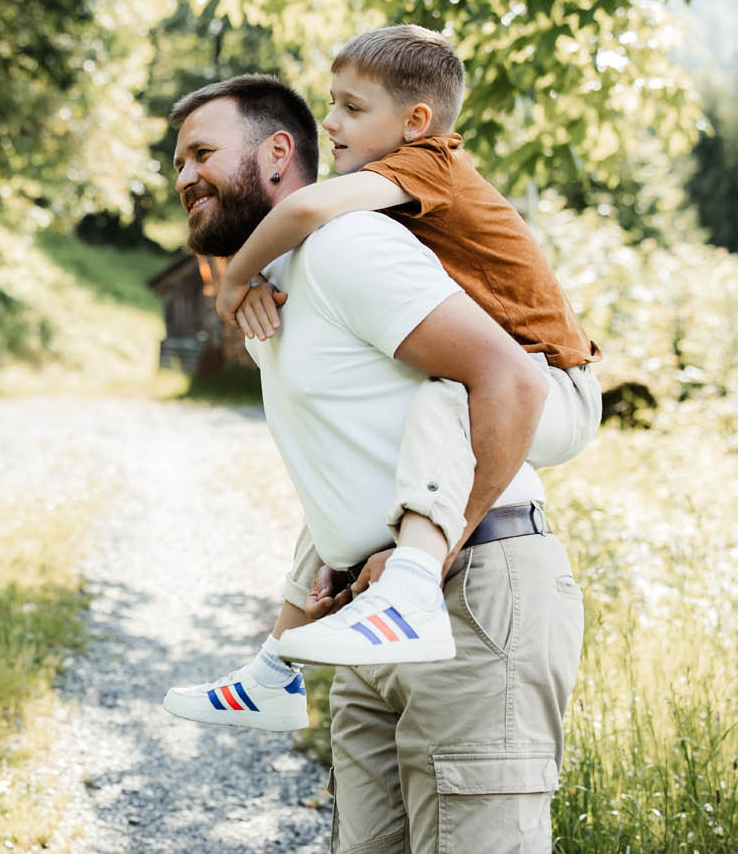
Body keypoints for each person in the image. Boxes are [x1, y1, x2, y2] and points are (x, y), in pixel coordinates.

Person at [163, 75, 583, 849]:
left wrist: (427, 558)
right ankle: (274, 670)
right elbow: (361, 454)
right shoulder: (276, 286)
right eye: (178, 163)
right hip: (371, 615)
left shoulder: (346, 246)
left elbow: (515, 381)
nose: (184, 177)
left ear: (279, 153)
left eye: (201, 154)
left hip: (468, 597)